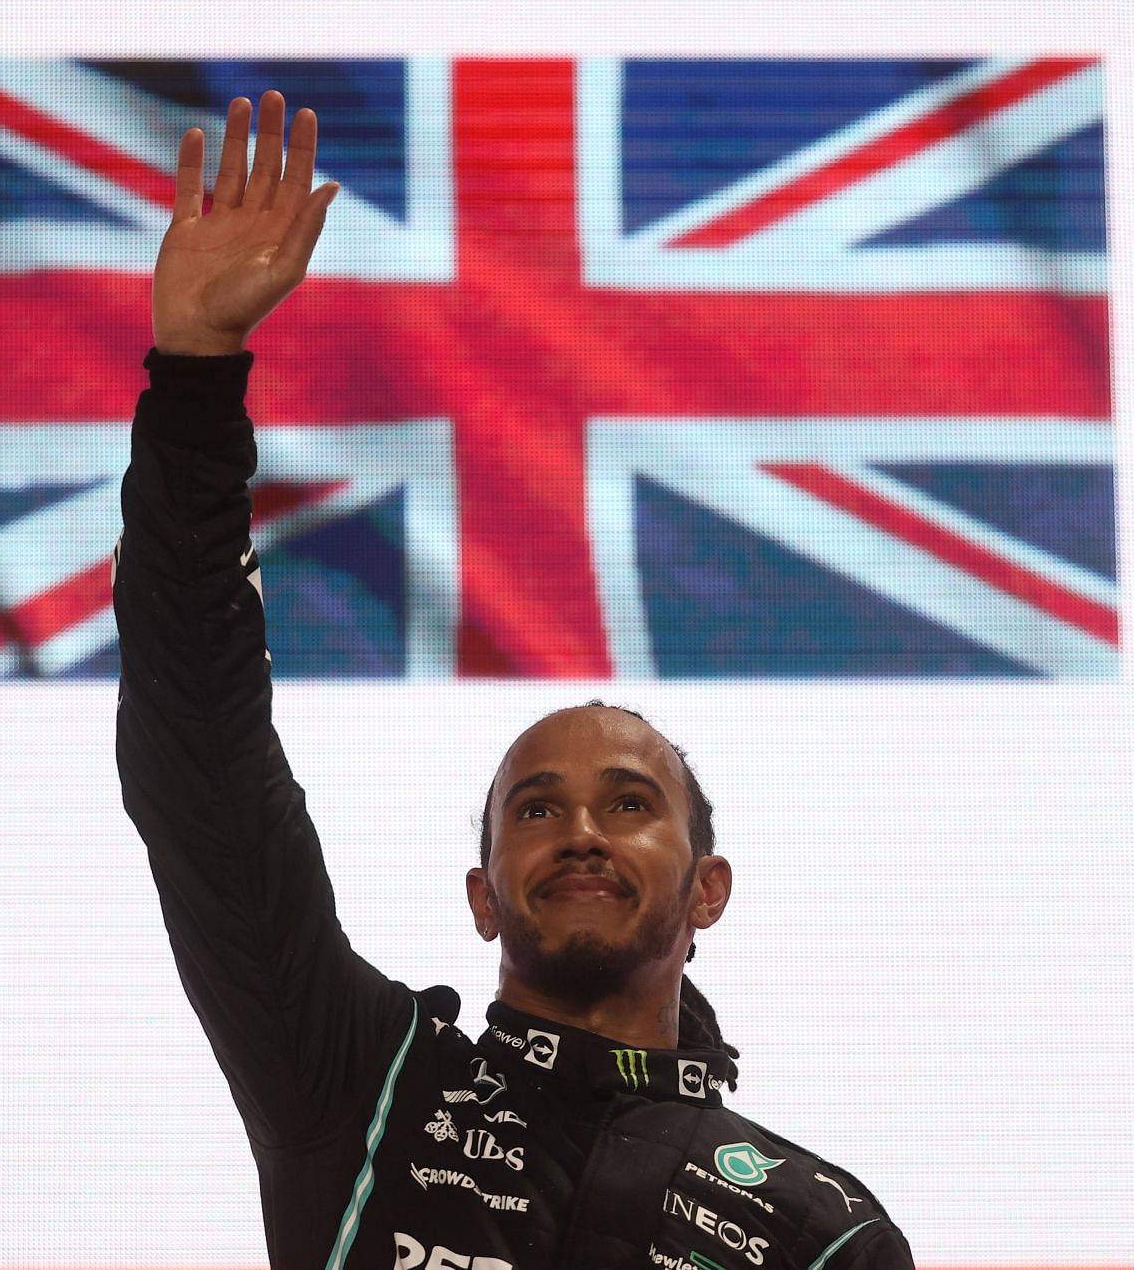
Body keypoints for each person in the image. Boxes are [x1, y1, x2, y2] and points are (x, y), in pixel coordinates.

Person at [115, 88, 916, 1270]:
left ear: (709, 889)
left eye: (630, 804)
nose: (580, 829)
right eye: (535, 807)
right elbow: (202, 764)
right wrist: (193, 373)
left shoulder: (816, 1227)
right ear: (485, 894)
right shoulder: (357, 1075)